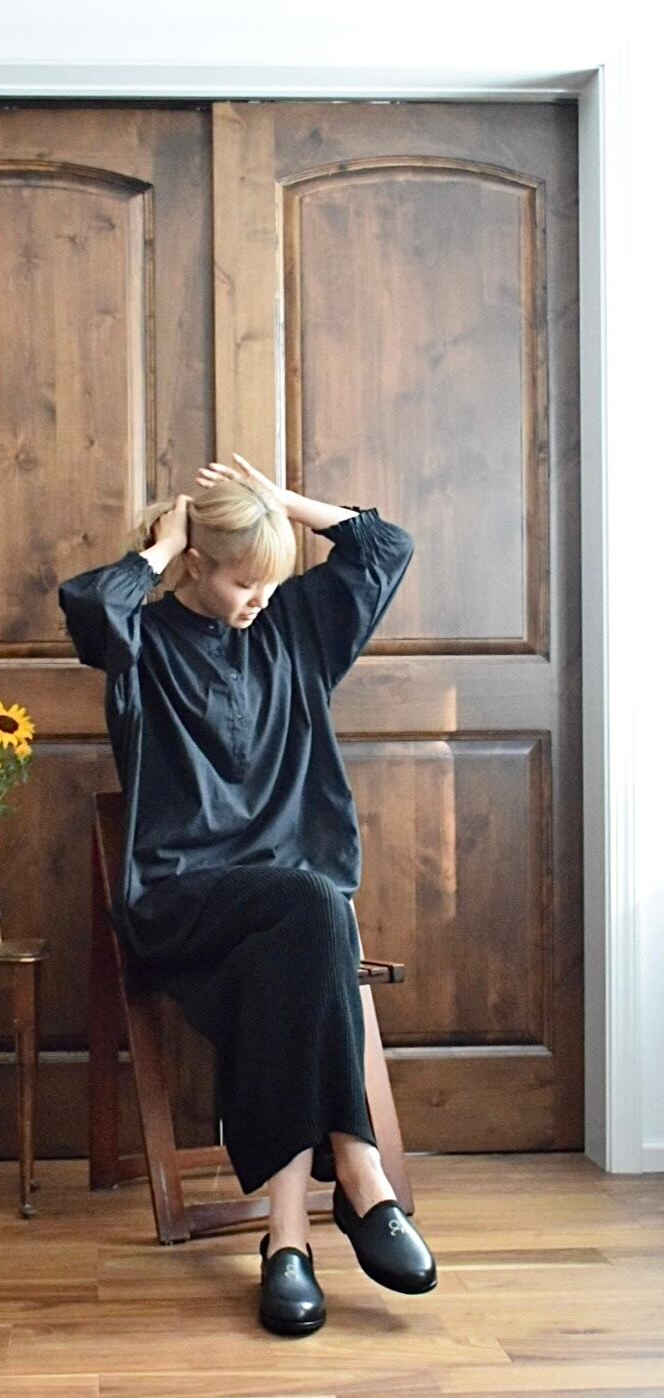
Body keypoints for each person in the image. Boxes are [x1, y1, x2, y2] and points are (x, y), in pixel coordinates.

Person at [58, 455, 436, 1336]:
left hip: (290, 920)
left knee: (297, 944)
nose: (261, 598)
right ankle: (360, 1172)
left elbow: (385, 547)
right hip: (182, 901)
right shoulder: (142, 645)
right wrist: (162, 547)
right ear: (196, 565)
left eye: (272, 581)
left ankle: (287, 1237)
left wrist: (283, 504)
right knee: (314, 908)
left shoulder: (297, 629)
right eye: (242, 581)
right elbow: (91, 606)